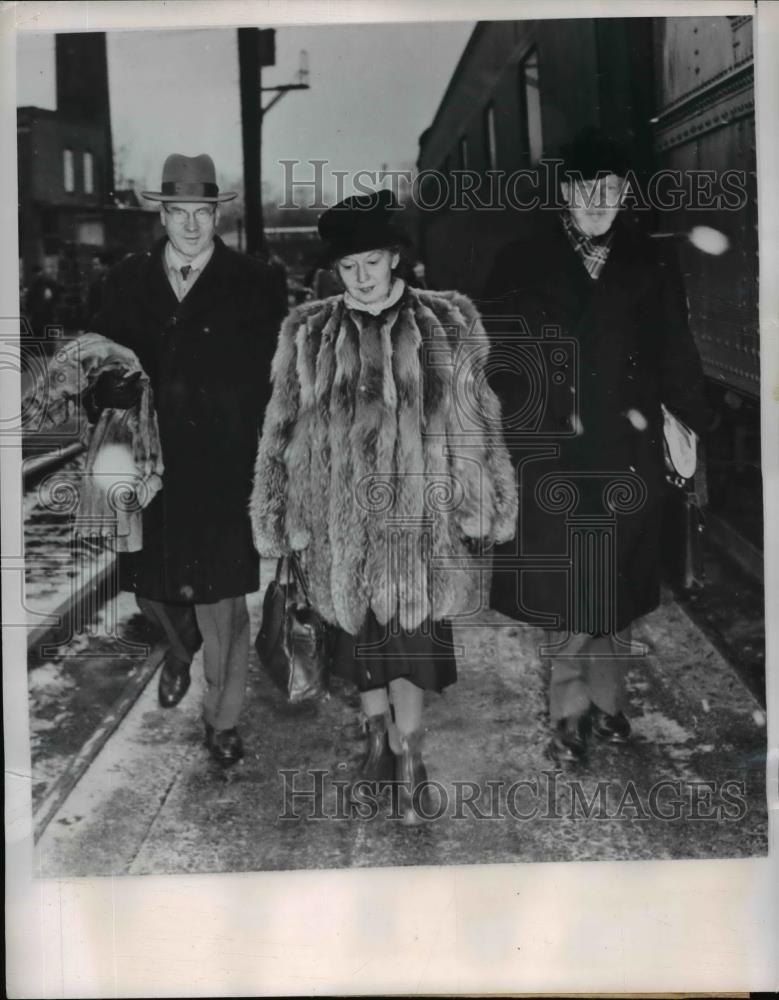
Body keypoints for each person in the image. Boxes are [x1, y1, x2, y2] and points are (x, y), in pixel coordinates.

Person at [251, 190, 517, 823]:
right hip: (337, 521)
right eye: (349, 267)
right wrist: (279, 511)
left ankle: (409, 753)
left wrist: (481, 500)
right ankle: (375, 744)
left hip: (419, 523)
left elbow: (473, 422)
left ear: (395, 257)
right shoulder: (309, 332)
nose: (362, 277)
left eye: (372, 261)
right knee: (358, 644)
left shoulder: (446, 322)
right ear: (334, 272)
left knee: (410, 645)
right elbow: (282, 427)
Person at [482, 127, 706, 764]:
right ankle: (569, 716)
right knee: (568, 587)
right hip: (551, 450)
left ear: (626, 191)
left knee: (616, 581)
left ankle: (610, 705)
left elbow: (677, 351)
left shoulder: (650, 261)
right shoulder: (520, 262)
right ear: (564, 191)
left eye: (612, 187)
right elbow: (493, 357)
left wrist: (688, 424)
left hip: (627, 446)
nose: (599, 199)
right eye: (587, 187)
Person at [86, 153, 285, 765]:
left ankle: (222, 720)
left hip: (225, 467)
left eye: (203, 212)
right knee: (152, 589)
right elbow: (93, 364)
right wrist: (103, 394)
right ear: (163, 213)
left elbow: (278, 381)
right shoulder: (125, 282)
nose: (192, 226)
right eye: (180, 212)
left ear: (216, 213)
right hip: (152, 468)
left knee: (224, 600)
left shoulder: (254, 282)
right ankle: (179, 644)